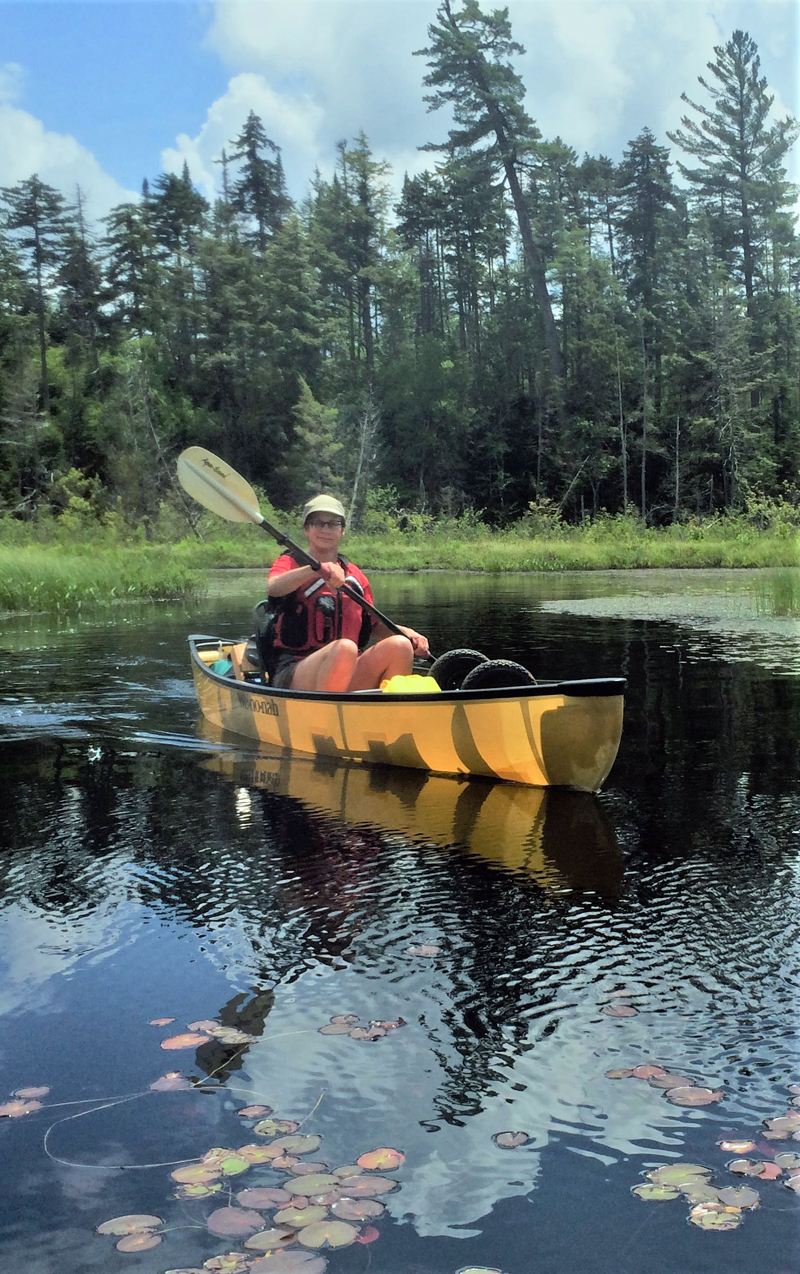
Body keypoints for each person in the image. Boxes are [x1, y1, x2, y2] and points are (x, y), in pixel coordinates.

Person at [266, 494, 430, 692]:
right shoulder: (290, 563)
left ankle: (391, 708)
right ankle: (327, 711)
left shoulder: (355, 576)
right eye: (318, 523)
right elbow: (274, 587)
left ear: (342, 531)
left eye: (334, 524)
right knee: (345, 648)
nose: (326, 529)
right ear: (306, 529)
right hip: (296, 669)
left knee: (401, 645)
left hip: (346, 667)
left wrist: (407, 633)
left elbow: (373, 626)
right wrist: (315, 569)